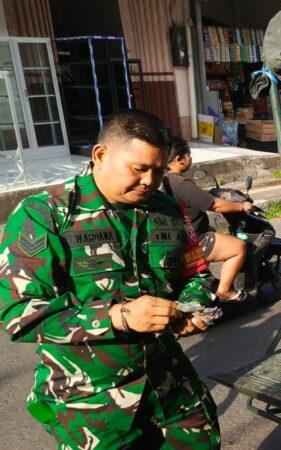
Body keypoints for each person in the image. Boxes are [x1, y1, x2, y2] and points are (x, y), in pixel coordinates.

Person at [0, 110, 220, 448]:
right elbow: (17, 314)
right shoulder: (46, 215)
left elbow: (197, 274)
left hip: (170, 386)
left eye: (158, 170)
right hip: (92, 399)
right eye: (139, 168)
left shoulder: (166, 208)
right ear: (101, 155)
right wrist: (117, 316)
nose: (149, 181)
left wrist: (191, 308)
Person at [164, 136, 254, 302]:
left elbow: (197, 197)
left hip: (182, 236)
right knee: (238, 247)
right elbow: (214, 205)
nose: (190, 158)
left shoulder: (167, 180)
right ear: (179, 159)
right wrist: (241, 206)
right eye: (189, 154)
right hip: (195, 239)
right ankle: (224, 291)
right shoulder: (179, 182)